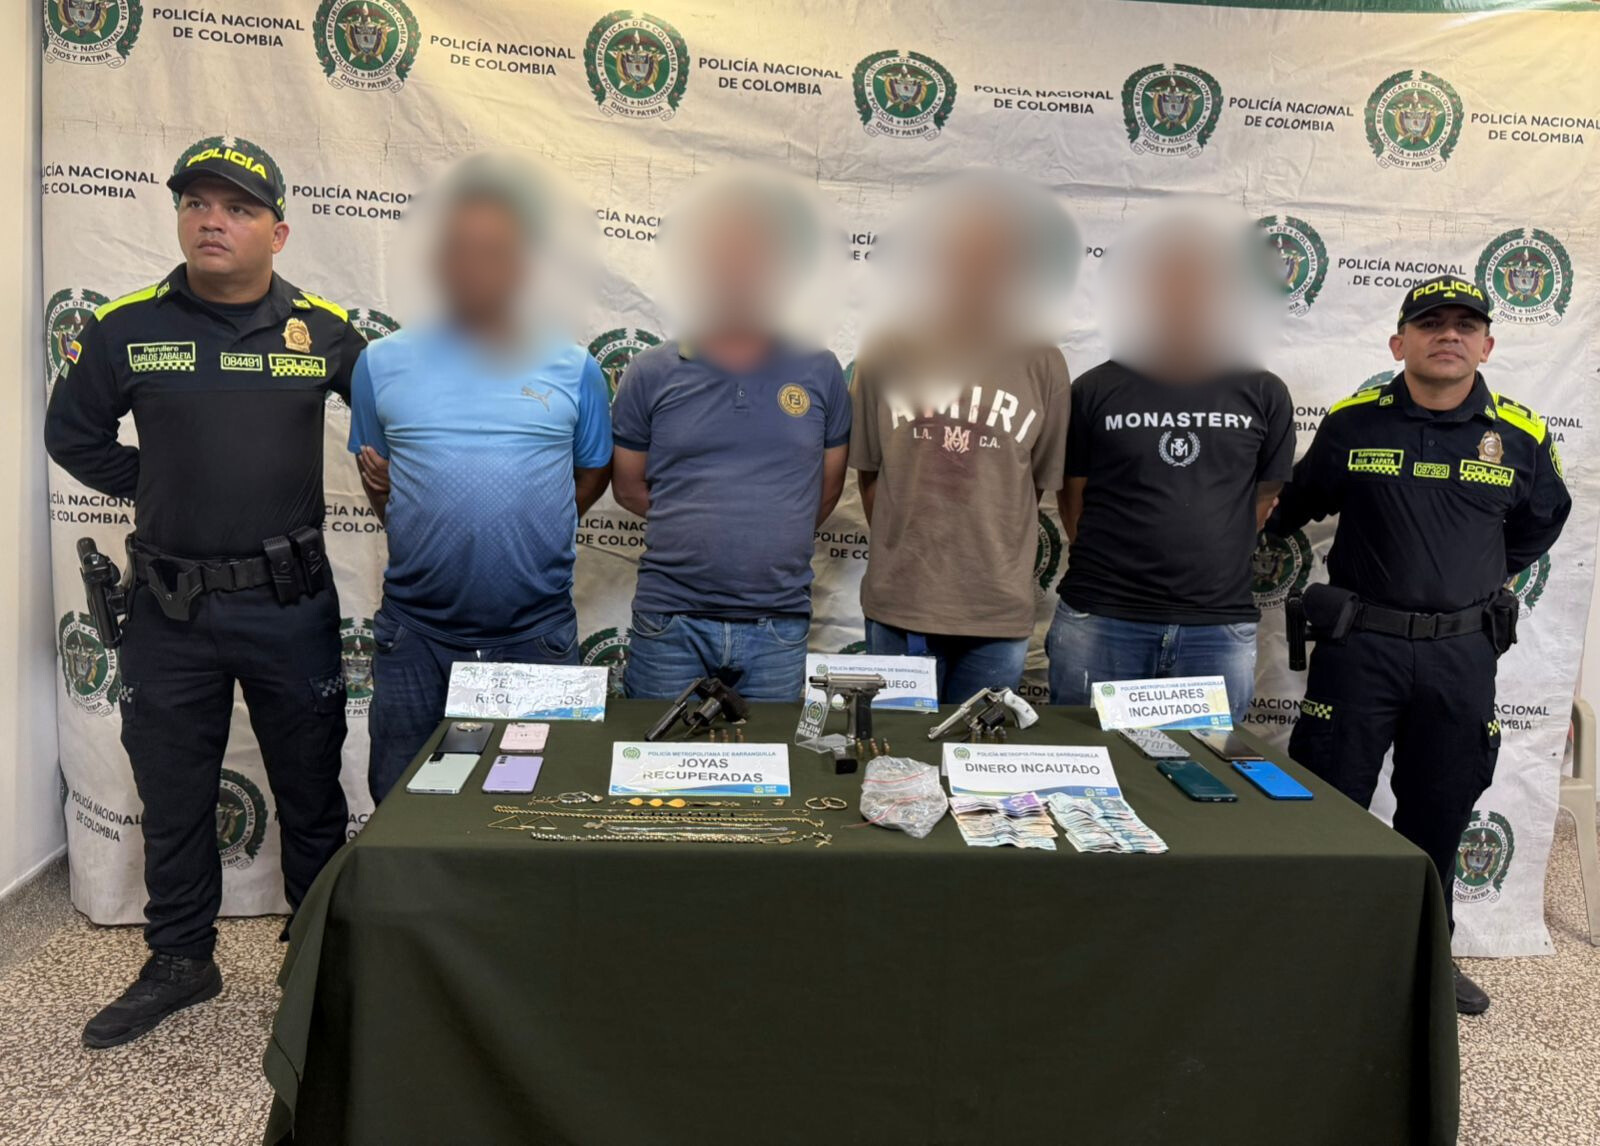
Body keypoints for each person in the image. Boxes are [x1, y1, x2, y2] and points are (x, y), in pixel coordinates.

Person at [44, 139, 365, 1048]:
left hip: (289, 602)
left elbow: (396, 419)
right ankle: (181, 960)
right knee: (174, 791)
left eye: (237, 207)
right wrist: (156, 483)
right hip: (169, 608)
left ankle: (320, 961)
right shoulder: (127, 327)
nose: (212, 220)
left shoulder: (324, 331)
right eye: (196, 203)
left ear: (278, 232)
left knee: (311, 789)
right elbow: (73, 435)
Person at [1267, 275, 1571, 1015]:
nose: (1449, 335)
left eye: (1466, 325)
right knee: (1329, 806)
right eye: (1431, 323)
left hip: (1460, 657)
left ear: (1487, 345)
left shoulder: (1522, 435)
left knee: (1438, 813)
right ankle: (1316, 959)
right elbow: (1289, 508)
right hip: (1359, 650)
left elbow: (1540, 523)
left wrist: (1469, 582)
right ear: (1398, 342)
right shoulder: (1352, 424)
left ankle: (1424, 960)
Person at [349, 156, 613, 802]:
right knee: (403, 807)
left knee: (542, 808)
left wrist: (530, 524)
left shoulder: (575, 367)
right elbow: (380, 481)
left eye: (495, 251)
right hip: (417, 636)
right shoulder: (379, 363)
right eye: (462, 250)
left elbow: (592, 471)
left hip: (536, 635)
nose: (477, 266)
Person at [611, 173, 849, 701]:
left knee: (770, 759)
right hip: (669, 619)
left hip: (778, 623)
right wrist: (697, 523)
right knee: (650, 753)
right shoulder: (650, 371)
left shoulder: (821, 370)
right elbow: (627, 487)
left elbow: (826, 489)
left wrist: (771, 528)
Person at [1048, 222, 1294, 720]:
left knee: (1204, 766)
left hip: (1215, 627)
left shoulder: (1264, 392)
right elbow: (1073, 495)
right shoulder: (1095, 389)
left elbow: (1263, 496)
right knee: (1087, 760)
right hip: (1103, 618)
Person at [849, 173, 1073, 702]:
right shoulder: (886, 351)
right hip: (901, 604)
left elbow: (1031, 485)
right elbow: (872, 476)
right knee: (893, 748)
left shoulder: (1043, 362)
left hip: (995, 611)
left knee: (977, 749)